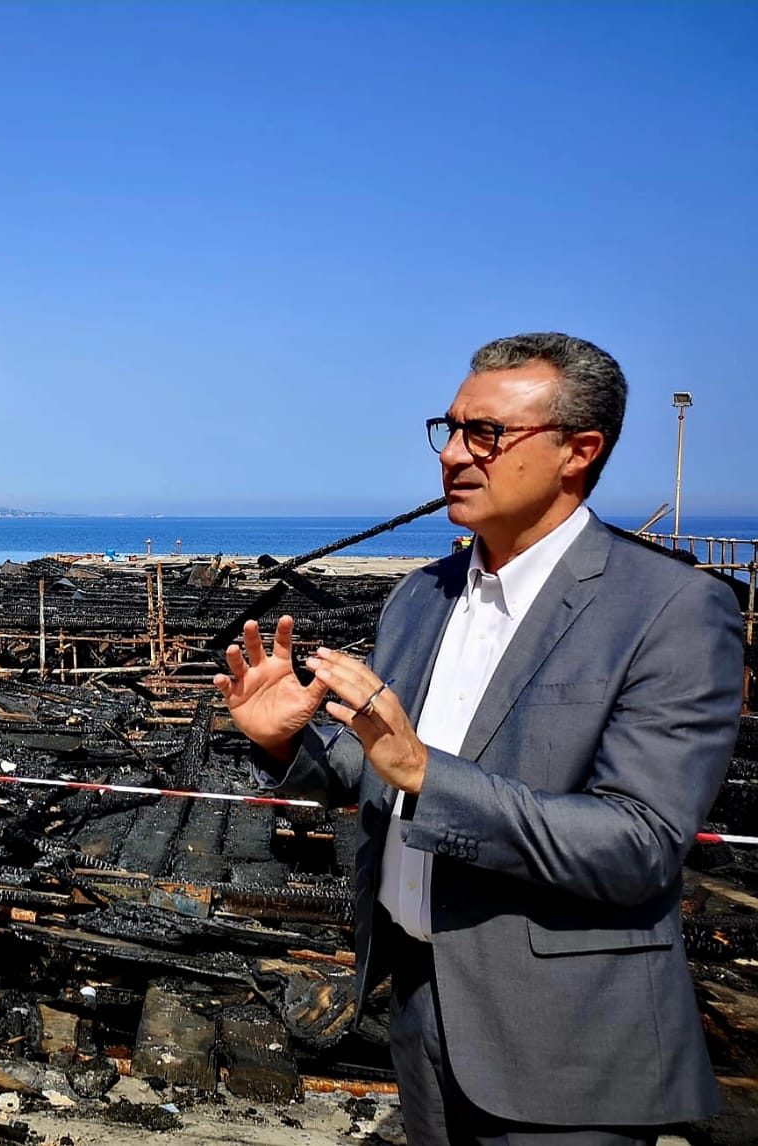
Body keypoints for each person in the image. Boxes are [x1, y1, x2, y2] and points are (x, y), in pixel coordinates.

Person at [214, 333, 743, 1144]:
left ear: (580, 451)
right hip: (421, 1006)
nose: (455, 455)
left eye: (487, 433)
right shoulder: (422, 597)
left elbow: (639, 843)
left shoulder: (669, 611)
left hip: (566, 1044)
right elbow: (381, 766)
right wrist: (290, 743)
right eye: (450, 428)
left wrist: (426, 770)